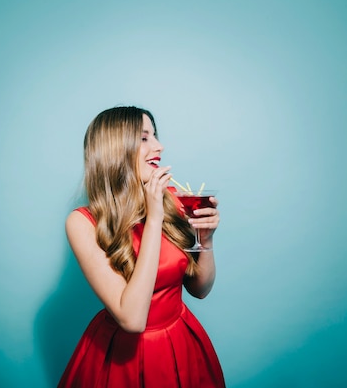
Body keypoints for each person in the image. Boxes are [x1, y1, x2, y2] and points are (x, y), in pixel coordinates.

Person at [57, 106, 225, 387]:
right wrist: (154, 216)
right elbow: (133, 320)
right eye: (144, 137)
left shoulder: (172, 199)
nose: (159, 146)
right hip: (123, 358)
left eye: (155, 135)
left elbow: (200, 290)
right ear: (116, 149)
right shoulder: (82, 223)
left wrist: (205, 240)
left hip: (181, 345)